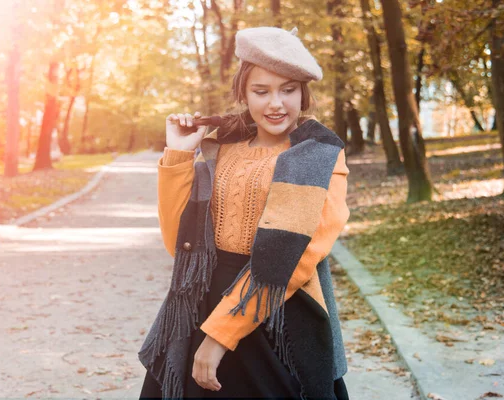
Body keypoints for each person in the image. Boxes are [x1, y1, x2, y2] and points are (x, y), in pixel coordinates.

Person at [138, 26, 351, 399]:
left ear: (304, 92)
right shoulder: (222, 147)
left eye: (288, 89)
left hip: (279, 316)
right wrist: (178, 155)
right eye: (261, 91)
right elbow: (181, 246)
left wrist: (219, 336)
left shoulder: (319, 155)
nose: (276, 104)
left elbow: (294, 261)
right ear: (242, 92)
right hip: (203, 303)